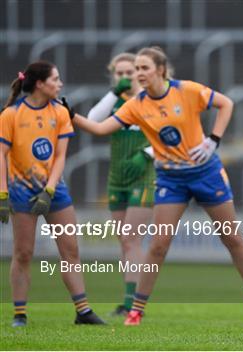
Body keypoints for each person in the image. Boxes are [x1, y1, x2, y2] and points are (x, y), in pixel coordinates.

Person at [69, 46, 243, 326]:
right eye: (136, 69)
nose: (139, 74)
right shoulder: (137, 104)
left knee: (232, 238)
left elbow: (226, 103)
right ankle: (136, 312)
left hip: (205, 172)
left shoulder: (186, 90)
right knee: (158, 246)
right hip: (170, 179)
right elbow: (100, 128)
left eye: (144, 68)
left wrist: (213, 139)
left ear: (161, 70)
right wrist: (69, 115)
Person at [0, 61, 105, 327]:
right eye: (55, 79)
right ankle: (20, 314)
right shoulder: (11, 115)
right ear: (40, 84)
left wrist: (49, 190)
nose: (60, 84)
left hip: (54, 190)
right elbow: (1, 156)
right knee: (23, 252)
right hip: (21, 191)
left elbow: (60, 156)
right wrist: (2, 195)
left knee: (70, 250)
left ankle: (83, 311)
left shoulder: (60, 112)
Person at [87, 53, 154, 316]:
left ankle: (132, 304)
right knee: (124, 242)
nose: (126, 78)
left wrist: (146, 154)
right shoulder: (114, 102)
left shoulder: (150, 101)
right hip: (117, 178)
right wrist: (114, 92)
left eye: (130, 72)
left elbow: (171, 136)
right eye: (120, 73)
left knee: (131, 238)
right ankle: (128, 300)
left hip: (144, 175)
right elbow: (93, 120)